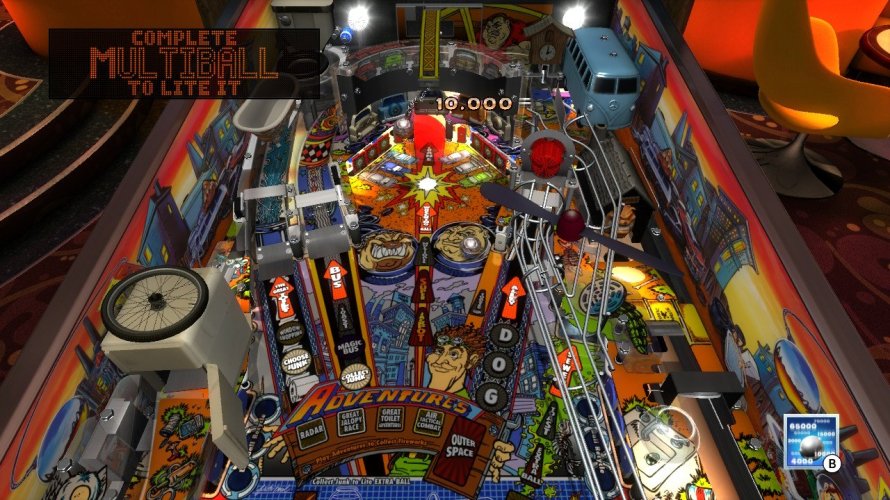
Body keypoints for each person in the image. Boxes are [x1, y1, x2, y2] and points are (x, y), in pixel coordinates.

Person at [390, 324, 515, 480]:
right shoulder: (415, 402)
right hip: (395, 478)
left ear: (471, 361)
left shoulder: (472, 415)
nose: (441, 360)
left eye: (454, 354)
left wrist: (490, 459)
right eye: (439, 351)